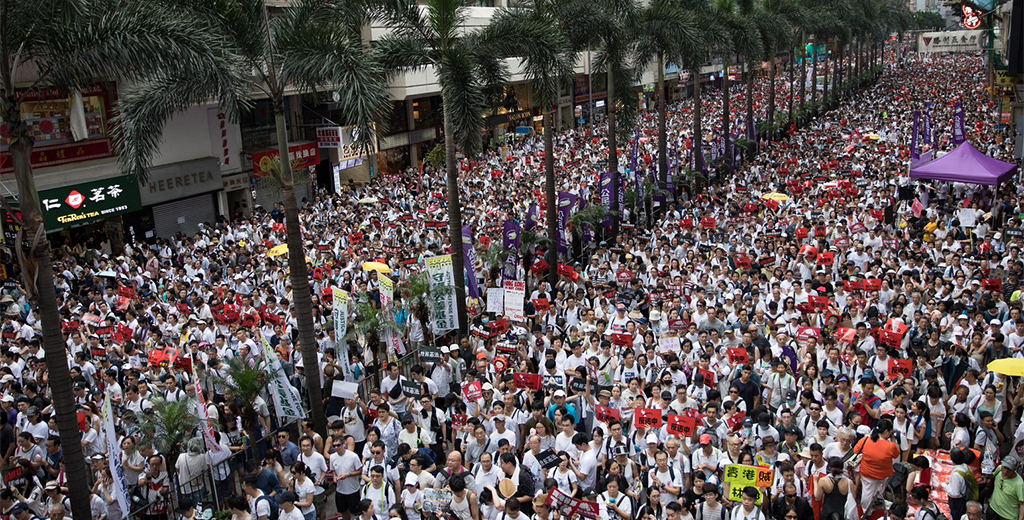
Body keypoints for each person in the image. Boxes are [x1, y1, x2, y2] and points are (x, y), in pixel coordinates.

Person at [854, 419, 900, 519]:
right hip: (883, 475)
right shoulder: (890, 446)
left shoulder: (865, 440)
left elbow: (856, 450)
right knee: (877, 493)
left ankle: (866, 511)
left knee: (867, 493)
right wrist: (893, 440)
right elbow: (896, 454)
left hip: (867, 473)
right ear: (886, 432)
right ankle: (870, 509)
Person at [989, 456, 1024, 520]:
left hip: (1007, 516)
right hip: (993, 509)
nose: (1005, 471)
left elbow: (1022, 503)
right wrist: (987, 470)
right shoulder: (999, 469)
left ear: (1014, 469)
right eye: (1004, 467)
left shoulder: (1019, 484)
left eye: (1009, 469)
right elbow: (992, 476)